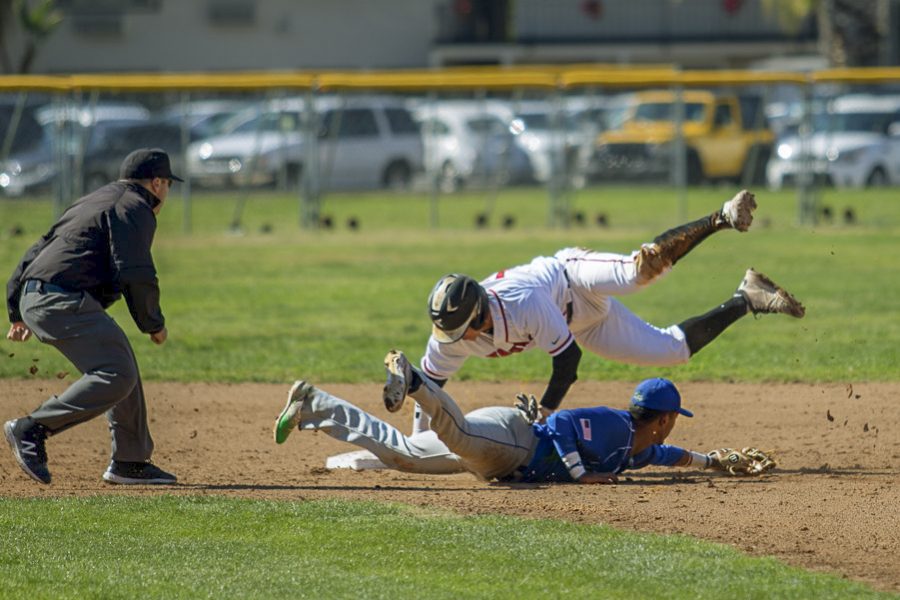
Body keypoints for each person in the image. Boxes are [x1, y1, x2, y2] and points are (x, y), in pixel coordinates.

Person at [387, 190, 805, 435]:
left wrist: (546, 413)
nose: (462, 340)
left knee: (640, 273)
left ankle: (721, 217)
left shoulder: (521, 302)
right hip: (581, 324)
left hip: (573, 279)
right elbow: (430, 386)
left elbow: (567, 363)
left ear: (479, 312)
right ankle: (747, 298)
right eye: (453, 333)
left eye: (466, 329)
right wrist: (417, 443)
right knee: (672, 351)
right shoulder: (450, 334)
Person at [274, 351, 751, 484]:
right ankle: (417, 382)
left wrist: (713, 461)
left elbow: (667, 456)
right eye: (675, 419)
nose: (673, 429)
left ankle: (315, 404)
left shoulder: (640, 446)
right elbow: (562, 425)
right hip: (515, 442)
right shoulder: (616, 425)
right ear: (664, 418)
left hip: (505, 457)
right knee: (456, 432)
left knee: (404, 456)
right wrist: (581, 475)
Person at [4, 148, 181, 486]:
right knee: (116, 371)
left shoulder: (95, 200)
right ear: (157, 183)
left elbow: (39, 248)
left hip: (39, 295)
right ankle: (32, 428)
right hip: (62, 298)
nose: (167, 192)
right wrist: (153, 324)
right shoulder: (135, 207)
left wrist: (17, 308)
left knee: (120, 359)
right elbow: (136, 271)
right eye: (168, 184)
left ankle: (130, 460)